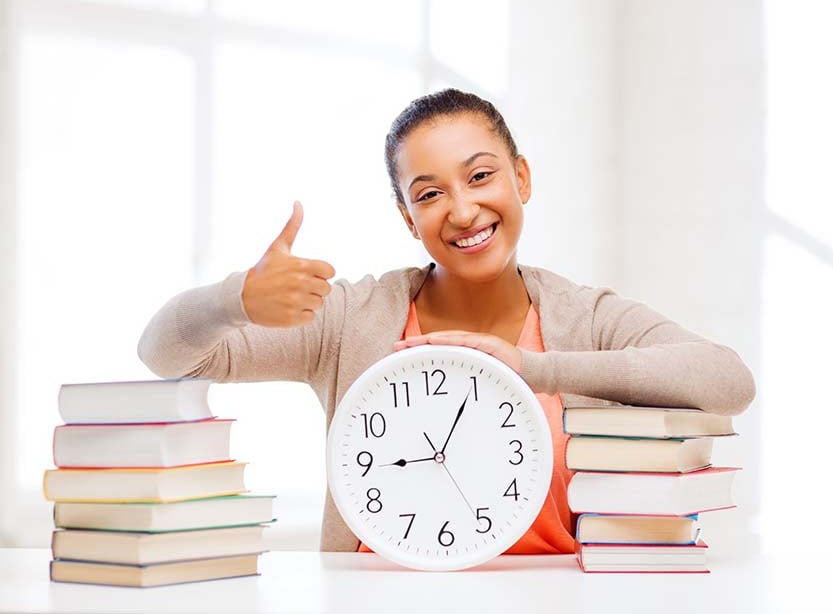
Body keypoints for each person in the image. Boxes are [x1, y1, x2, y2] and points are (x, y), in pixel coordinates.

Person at [138, 88, 755, 554]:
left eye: (481, 176)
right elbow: (167, 354)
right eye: (429, 194)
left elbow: (729, 382)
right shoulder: (352, 320)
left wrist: (533, 369)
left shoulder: (584, 318)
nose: (462, 210)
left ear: (522, 178)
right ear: (408, 218)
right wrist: (235, 301)